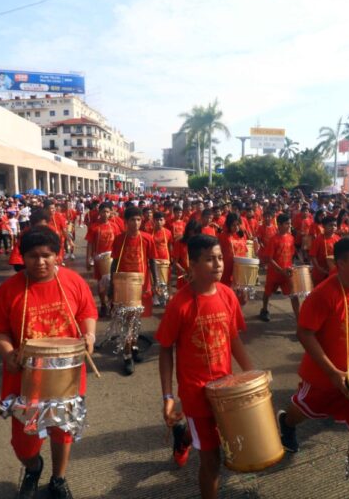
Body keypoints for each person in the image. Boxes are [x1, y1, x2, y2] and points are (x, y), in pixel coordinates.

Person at [0, 227, 96, 499]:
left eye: (47, 255)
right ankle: (33, 467)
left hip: (65, 375)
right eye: (33, 256)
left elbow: (87, 312)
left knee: (63, 431)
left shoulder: (72, 281)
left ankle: (58, 479)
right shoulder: (8, 290)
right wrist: (8, 353)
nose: (41, 261)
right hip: (24, 377)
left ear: (58, 255)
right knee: (24, 444)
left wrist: (89, 335)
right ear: (22, 257)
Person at [277, 237, 349, 499]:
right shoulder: (322, 295)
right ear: (340, 264)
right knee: (302, 412)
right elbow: (305, 333)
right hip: (322, 378)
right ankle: (286, 421)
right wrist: (332, 372)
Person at [156, 234, 253, 499]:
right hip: (196, 394)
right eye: (210, 260)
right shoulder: (180, 304)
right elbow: (165, 349)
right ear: (193, 264)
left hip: (226, 390)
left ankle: (183, 437)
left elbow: (233, 339)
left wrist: (253, 374)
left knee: (221, 440)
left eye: (220, 258)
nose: (219, 264)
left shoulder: (228, 295)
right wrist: (167, 396)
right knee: (212, 461)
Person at [110, 206, 158, 375]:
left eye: (138, 220)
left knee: (136, 319)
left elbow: (152, 261)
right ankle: (127, 355)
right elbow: (114, 263)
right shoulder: (119, 239)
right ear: (126, 222)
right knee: (127, 322)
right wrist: (111, 285)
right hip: (124, 286)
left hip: (142, 285)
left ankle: (134, 347)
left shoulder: (147, 239)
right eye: (132, 220)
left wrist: (156, 282)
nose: (136, 223)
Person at [260, 213, 296, 321]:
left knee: (294, 294)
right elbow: (269, 258)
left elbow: (292, 254)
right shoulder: (273, 240)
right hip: (274, 273)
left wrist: (291, 267)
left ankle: (299, 317)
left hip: (287, 273)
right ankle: (264, 309)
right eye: (286, 224)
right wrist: (281, 270)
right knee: (267, 293)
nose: (289, 226)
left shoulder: (291, 238)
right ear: (279, 225)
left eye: (290, 223)